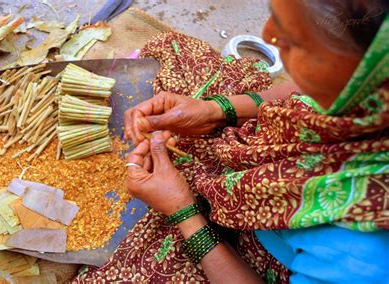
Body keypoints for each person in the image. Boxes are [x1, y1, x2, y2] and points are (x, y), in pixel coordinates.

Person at [75, 0, 388, 283]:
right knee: (176, 54)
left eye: (301, 43)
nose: (269, 37)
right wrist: (216, 110)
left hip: (270, 260)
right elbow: (305, 90)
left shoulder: (365, 262)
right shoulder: (371, 95)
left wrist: (183, 212)